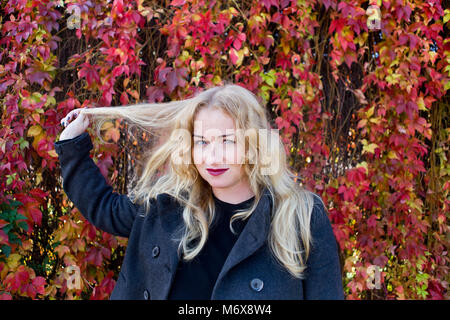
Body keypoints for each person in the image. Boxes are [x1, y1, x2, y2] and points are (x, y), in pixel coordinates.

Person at [54, 83, 344, 300]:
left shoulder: (300, 216)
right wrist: (72, 146)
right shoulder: (167, 206)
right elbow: (105, 208)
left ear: (254, 144)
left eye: (228, 141)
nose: (213, 157)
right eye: (202, 142)